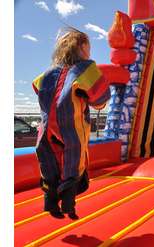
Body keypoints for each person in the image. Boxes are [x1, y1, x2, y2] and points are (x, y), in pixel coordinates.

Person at [32, 28, 111, 219]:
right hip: (70, 126)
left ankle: (50, 202)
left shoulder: (49, 72)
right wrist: (86, 97)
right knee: (74, 160)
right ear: (82, 46)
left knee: (49, 161)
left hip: (46, 129)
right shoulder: (85, 68)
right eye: (89, 47)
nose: (90, 51)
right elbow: (101, 99)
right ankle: (69, 204)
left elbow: (36, 85)